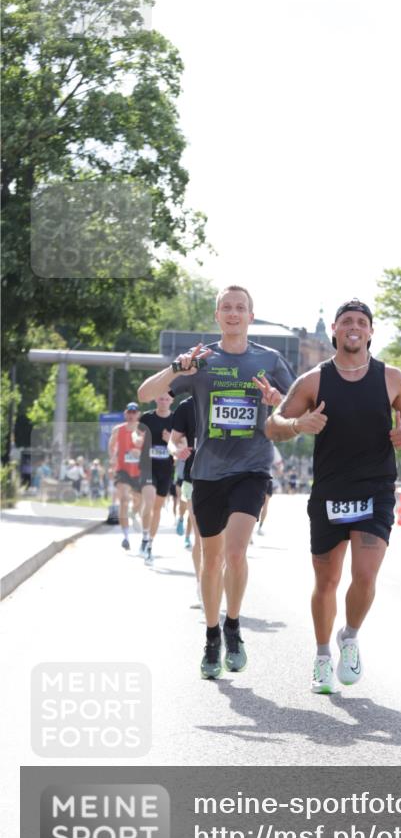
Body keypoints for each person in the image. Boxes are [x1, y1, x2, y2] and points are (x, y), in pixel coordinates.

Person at [137, 285, 295, 679]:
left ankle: (233, 626)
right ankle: (211, 636)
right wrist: (176, 369)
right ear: (217, 315)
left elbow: (297, 408)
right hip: (207, 472)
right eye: (226, 307)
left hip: (251, 468)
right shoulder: (201, 361)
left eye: (240, 307)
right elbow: (146, 393)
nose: (233, 313)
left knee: (236, 553)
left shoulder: (269, 359)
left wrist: (277, 401)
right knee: (212, 560)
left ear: (250, 316)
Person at [266, 298, 401, 694]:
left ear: (371, 332)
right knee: (327, 580)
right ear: (334, 329)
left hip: (376, 488)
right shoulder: (313, 380)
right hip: (330, 491)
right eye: (347, 321)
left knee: (365, 576)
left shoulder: (391, 378)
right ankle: (322, 657)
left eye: (361, 322)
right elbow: (273, 425)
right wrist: (298, 425)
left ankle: (349, 636)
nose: (354, 327)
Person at [168, 394, 204, 602]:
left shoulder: (230, 398)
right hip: (194, 477)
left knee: (223, 541)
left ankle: (214, 579)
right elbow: (172, 442)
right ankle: (201, 584)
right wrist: (177, 451)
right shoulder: (187, 406)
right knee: (202, 536)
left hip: (227, 478)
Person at [108, 403, 151, 550]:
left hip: (139, 471)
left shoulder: (144, 430)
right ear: (125, 414)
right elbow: (111, 446)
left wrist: (141, 453)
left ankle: (134, 513)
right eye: (129, 412)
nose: (132, 415)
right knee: (124, 499)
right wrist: (113, 458)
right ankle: (126, 537)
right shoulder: (118, 430)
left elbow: (150, 448)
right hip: (123, 470)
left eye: (134, 412)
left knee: (139, 502)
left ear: (138, 414)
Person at [138, 393, 174, 565]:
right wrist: (139, 440)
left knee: (157, 508)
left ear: (172, 401)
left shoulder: (176, 419)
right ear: (155, 399)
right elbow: (136, 435)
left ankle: (150, 542)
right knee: (149, 501)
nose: (164, 401)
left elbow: (182, 443)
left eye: (167, 399)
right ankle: (145, 536)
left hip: (166, 470)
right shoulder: (147, 418)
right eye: (161, 398)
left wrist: (170, 440)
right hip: (148, 467)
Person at [256, 444, 284, 536]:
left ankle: (250, 530)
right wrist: (277, 472)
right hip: (267, 478)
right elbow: (280, 466)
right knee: (265, 505)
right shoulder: (272, 447)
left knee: (253, 505)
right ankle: (259, 528)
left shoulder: (252, 443)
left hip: (253, 478)